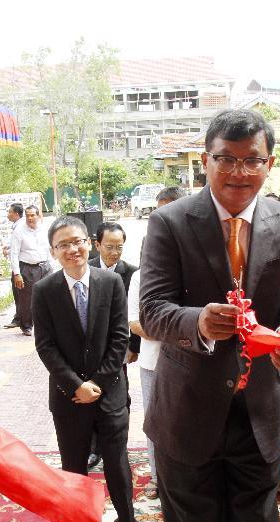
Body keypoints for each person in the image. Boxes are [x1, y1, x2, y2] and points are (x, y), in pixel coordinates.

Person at [140, 109, 280, 522]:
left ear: (269, 163)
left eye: (252, 161)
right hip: (187, 415)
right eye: (227, 159)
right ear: (206, 160)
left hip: (260, 412)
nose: (239, 172)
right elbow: (153, 308)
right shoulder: (170, 222)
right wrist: (196, 321)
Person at [32, 216, 142, 522]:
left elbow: (119, 339)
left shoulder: (111, 282)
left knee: (118, 468)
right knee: (74, 471)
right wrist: (75, 385)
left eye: (77, 241)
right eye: (63, 244)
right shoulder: (44, 289)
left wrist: (98, 383)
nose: (72, 249)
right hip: (69, 398)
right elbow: (46, 346)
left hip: (109, 395)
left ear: (90, 243)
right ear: (53, 251)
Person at [127, 186, 183, 500]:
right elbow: (135, 321)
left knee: (189, 421)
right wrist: (176, 330)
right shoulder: (139, 278)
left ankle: (187, 479)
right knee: (156, 424)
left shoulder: (193, 268)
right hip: (154, 363)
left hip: (193, 361)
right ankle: (158, 478)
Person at [86, 221, 139, 470]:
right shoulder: (85, 270)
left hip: (119, 347)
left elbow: (137, 313)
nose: (114, 252)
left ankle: (119, 443)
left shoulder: (132, 273)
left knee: (120, 394)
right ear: (97, 245)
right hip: (90, 347)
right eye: (109, 247)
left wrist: (133, 346)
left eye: (119, 247)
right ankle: (95, 448)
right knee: (93, 394)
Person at [10, 204, 51, 336]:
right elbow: (14, 254)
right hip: (27, 269)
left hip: (45, 267)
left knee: (48, 296)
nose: (30, 218)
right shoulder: (19, 231)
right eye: (27, 215)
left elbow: (51, 248)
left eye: (33, 215)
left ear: (39, 216)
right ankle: (26, 325)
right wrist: (17, 274)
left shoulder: (45, 229)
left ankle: (46, 323)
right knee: (27, 299)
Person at [3, 202, 24, 329]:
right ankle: (19, 317)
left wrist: (9, 251)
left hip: (20, 266)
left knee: (20, 293)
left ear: (16, 214)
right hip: (17, 265)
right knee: (18, 294)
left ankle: (20, 319)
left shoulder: (20, 227)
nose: (8, 215)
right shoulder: (17, 226)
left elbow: (20, 248)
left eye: (10, 212)